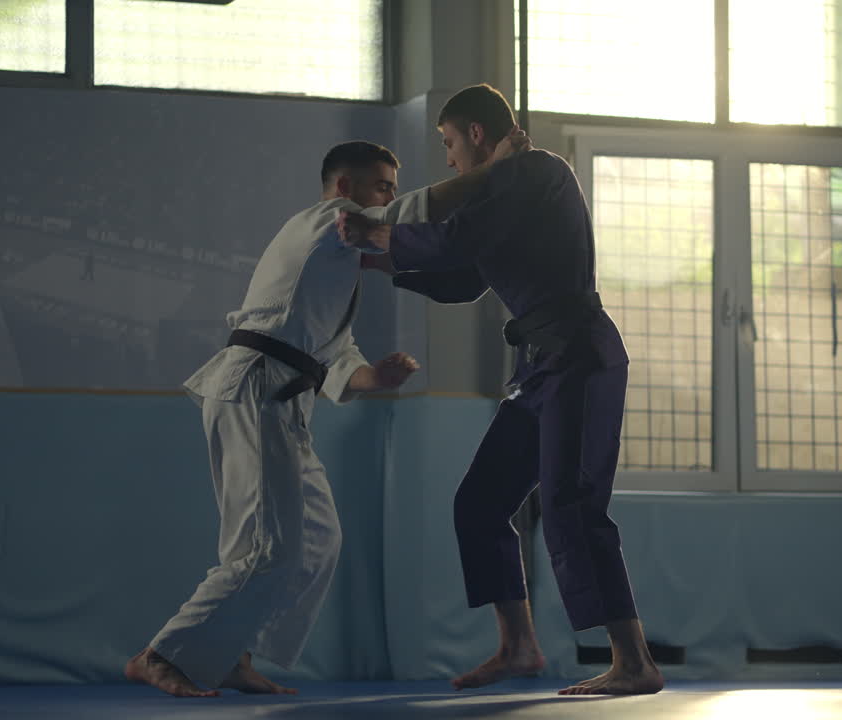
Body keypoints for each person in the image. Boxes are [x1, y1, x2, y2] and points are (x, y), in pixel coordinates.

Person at [125, 135, 528, 698]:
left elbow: (337, 359)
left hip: (283, 400)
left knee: (317, 539)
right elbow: (415, 213)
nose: (389, 197)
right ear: (345, 187)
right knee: (268, 547)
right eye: (382, 187)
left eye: (391, 188)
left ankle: (230, 653)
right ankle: (162, 654)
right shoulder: (326, 221)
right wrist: (492, 172)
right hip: (256, 389)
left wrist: (376, 377)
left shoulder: (332, 267)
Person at [341, 84, 664, 696]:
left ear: (476, 134)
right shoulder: (503, 190)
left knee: (571, 504)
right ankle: (518, 645)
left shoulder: (535, 171)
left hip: (578, 353)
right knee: (480, 504)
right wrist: (384, 264)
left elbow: (459, 238)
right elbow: (465, 278)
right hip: (540, 366)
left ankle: (635, 661)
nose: (448, 158)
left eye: (449, 143)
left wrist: (379, 235)